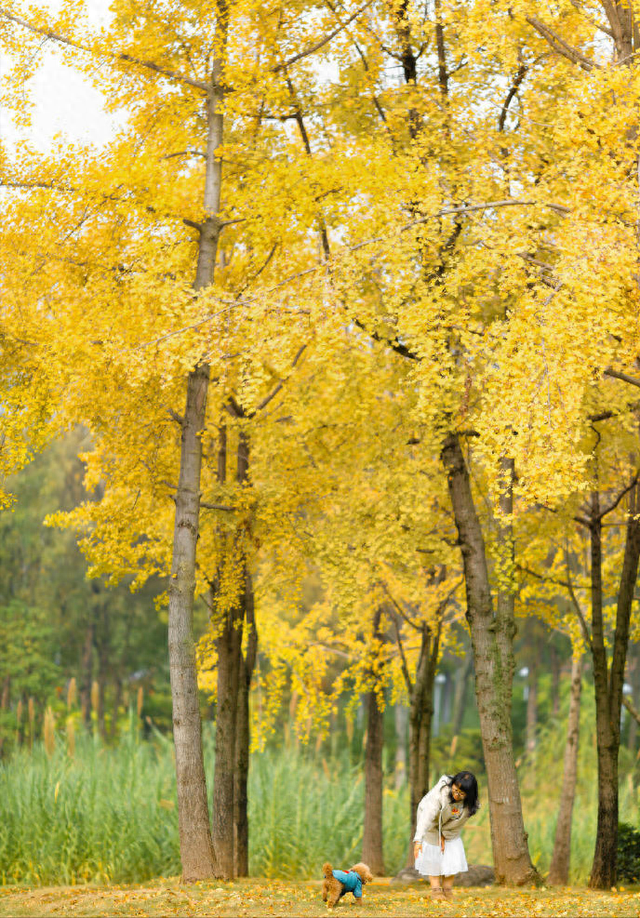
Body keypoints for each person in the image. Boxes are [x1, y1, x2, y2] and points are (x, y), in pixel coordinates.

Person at [413, 770, 479, 901]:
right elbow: (427, 816)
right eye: (455, 790)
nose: (456, 795)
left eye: (461, 794)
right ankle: (436, 890)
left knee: (452, 852)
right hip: (430, 824)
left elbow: (457, 824)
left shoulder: (470, 806)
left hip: (450, 830)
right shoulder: (440, 794)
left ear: (469, 795)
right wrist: (418, 839)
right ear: (452, 785)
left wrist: (444, 835)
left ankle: (448, 890)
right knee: (433, 852)